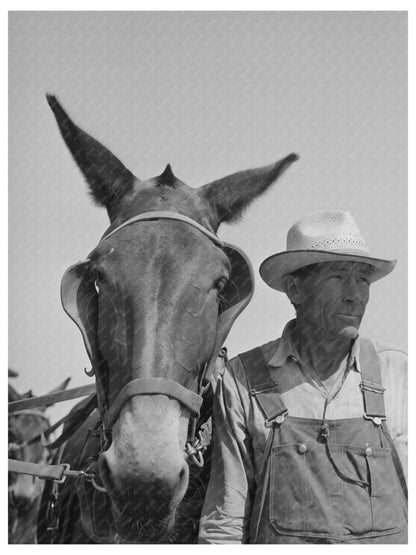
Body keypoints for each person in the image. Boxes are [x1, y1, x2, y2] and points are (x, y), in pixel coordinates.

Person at [198, 210, 407, 544]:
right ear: (295, 289)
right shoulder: (242, 380)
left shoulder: (400, 374)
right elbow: (226, 520)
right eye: (339, 277)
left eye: (363, 280)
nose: (355, 294)